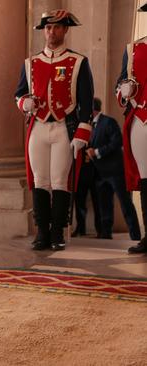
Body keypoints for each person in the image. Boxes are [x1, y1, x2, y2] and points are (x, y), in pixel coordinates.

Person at [15, 9, 94, 251]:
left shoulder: (78, 61)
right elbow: (19, 93)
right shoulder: (31, 63)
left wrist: (82, 133)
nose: (51, 32)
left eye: (57, 27)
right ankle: (42, 233)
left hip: (63, 127)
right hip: (38, 126)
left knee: (60, 181)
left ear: (65, 30)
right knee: (40, 181)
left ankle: (57, 232)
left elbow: (86, 100)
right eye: (48, 28)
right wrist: (23, 102)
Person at [116, 0, 147, 253]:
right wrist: (124, 91)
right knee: (146, 180)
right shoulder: (134, 49)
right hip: (141, 120)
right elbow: (120, 86)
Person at [87, 98, 141, 240]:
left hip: (116, 172)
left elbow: (117, 142)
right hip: (100, 173)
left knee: (125, 204)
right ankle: (106, 234)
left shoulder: (108, 122)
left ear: (93, 109)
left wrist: (97, 152)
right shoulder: (89, 125)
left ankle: (136, 236)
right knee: (105, 205)